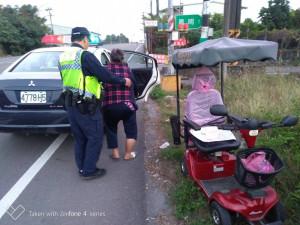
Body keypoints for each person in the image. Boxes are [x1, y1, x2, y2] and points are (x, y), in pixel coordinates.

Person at [58, 27, 131, 180]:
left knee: (79, 137)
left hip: (70, 104)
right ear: (85, 39)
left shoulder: (63, 57)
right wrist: (123, 80)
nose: (88, 43)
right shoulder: (85, 56)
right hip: (86, 105)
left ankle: (82, 168)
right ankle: (89, 170)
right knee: (95, 137)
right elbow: (103, 74)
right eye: (88, 41)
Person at [103, 49, 139, 161]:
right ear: (122, 59)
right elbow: (135, 85)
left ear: (110, 59)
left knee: (111, 129)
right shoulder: (127, 70)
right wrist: (136, 95)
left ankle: (116, 154)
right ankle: (128, 154)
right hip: (126, 106)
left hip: (109, 107)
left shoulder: (105, 70)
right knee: (131, 130)